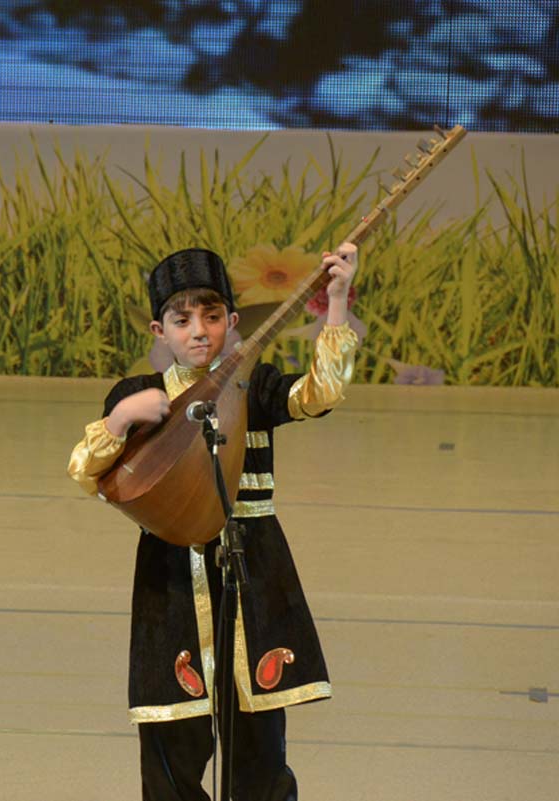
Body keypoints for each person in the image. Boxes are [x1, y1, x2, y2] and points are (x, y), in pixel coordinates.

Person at [67, 244, 359, 800]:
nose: (199, 331)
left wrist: (338, 301)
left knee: (260, 745)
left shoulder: (254, 384)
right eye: (182, 320)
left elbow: (322, 393)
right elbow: (84, 469)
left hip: (254, 575)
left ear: (231, 320)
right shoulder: (138, 397)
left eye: (212, 316)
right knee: (172, 743)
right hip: (173, 581)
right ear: (160, 329)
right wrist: (122, 418)